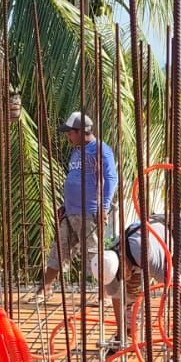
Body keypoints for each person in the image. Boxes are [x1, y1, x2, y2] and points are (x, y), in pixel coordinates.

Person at [39, 111, 118, 301]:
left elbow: (110, 178)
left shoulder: (100, 150)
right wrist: (65, 205)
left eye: (70, 132)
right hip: (71, 212)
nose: (68, 136)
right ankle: (45, 289)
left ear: (82, 131)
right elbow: (75, 180)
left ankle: (106, 294)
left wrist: (103, 208)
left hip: (90, 212)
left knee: (94, 255)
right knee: (59, 250)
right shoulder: (76, 151)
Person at [110, 215, 181, 348]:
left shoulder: (145, 254)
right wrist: (121, 336)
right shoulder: (107, 263)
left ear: (123, 262)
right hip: (156, 236)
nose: (122, 278)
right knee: (130, 291)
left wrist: (176, 285)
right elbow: (117, 297)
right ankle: (128, 334)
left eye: (121, 274)